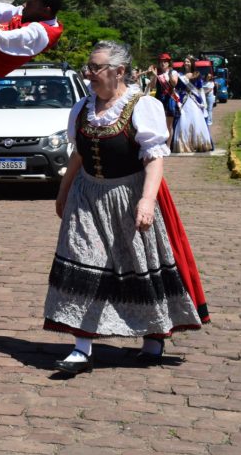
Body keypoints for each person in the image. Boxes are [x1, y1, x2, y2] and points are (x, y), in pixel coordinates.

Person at [45, 41, 209, 375]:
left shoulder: (141, 106)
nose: (89, 74)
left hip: (128, 195)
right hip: (87, 196)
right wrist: (62, 193)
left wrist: (147, 201)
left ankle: (152, 338)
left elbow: (154, 158)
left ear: (119, 71)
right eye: (88, 68)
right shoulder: (81, 108)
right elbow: (78, 154)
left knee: (137, 264)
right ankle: (81, 348)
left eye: (96, 68)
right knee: (83, 262)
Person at [171, 56, 213, 153]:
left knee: (196, 120)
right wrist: (177, 99)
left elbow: (200, 89)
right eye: (185, 61)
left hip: (195, 101)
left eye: (188, 62)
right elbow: (176, 88)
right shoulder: (180, 75)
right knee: (183, 121)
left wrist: (204, 102)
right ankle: (184, 145)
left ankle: (198, 144)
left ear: (192, 63)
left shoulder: (197, 74)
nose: (186, 63)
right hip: (184, 101)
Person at [148, 53, 181, 140]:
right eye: (161, 62)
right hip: (158, 100)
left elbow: (174, 84)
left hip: (170, 99)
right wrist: (154, 76)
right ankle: (160, 143)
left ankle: (168, 146)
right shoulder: (156, 73)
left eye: (165, 62)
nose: (163, 63)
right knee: (158, 124)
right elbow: (151, 87)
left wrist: (169, 74)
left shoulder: (173, 72)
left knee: (169, 125)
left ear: (169, 63)